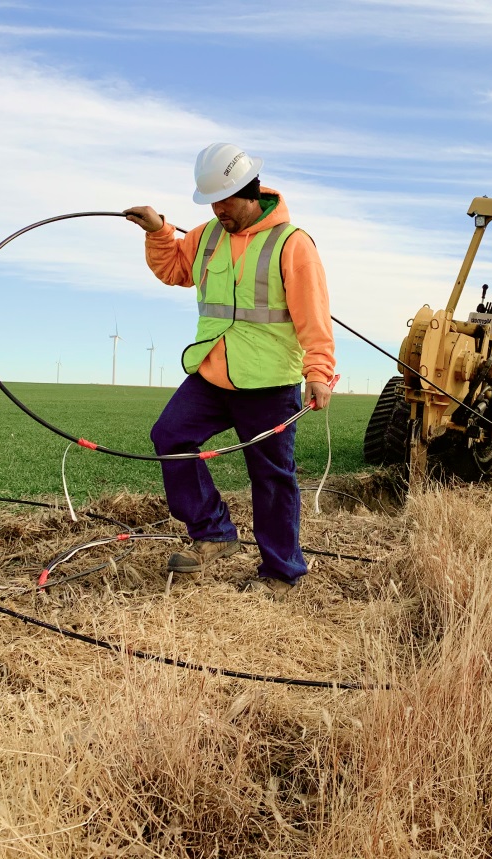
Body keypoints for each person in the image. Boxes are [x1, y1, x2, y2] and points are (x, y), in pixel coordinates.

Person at [124, 143, 335, 600]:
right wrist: (159, 231)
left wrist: (319, 371)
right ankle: (214, 531)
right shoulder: (205, 236)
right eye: (211, 201)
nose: (218, 209)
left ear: (251, 191)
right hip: (211, 370)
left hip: (269, 381)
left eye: (225, 200)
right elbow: (175, 270)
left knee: (272, 476)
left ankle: (282, 571)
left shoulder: (292, 243)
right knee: (170, 436)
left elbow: (313, 315)